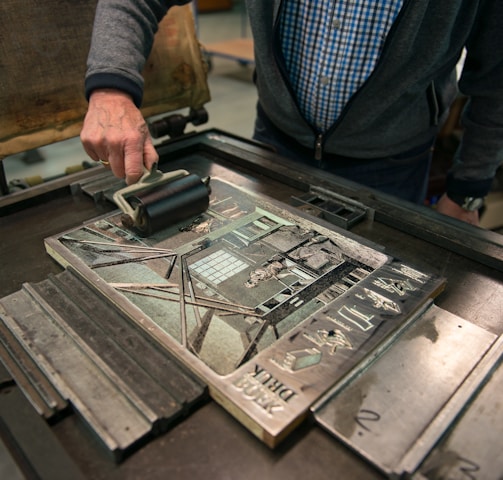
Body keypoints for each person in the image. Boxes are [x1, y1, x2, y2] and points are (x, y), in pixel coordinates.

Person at [81, 0, 503, 226]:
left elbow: (497, 79)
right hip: (275, 144)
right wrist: (110, 88)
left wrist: (467, 189)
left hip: (391, 165)